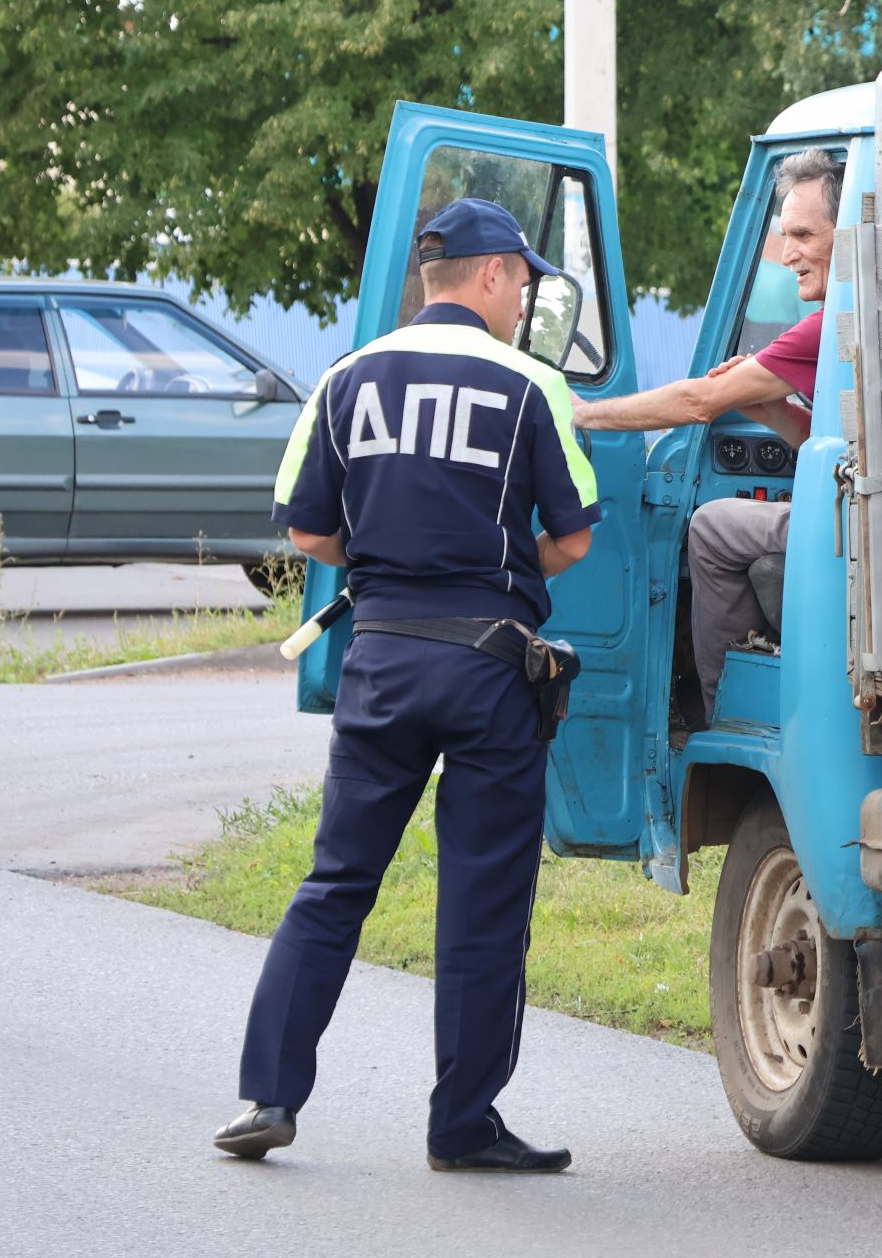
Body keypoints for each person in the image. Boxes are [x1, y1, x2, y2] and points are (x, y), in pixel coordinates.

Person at [212, 198, 601, 1173]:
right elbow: (575, 535)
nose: (523, 299)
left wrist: (390, 564)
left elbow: (307, 531)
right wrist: (496, 570)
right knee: (482, 896)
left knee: (335, 879)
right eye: (523, 280)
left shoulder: (346, 378)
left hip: (379, 659)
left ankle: (268, 1093)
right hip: (489, 666)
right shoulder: (529, 385)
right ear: (495, 275)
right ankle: (461, 1123)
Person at [572, 148, 840, 716]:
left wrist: (585, 413)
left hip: (854, 524)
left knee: (713, 526)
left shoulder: (826, 327)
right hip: (871, 514)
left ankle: (727, 712)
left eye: (804, 235)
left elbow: (697, 402)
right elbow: (834, 445)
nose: (787, 254)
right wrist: (772, 414)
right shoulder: (866, 315)